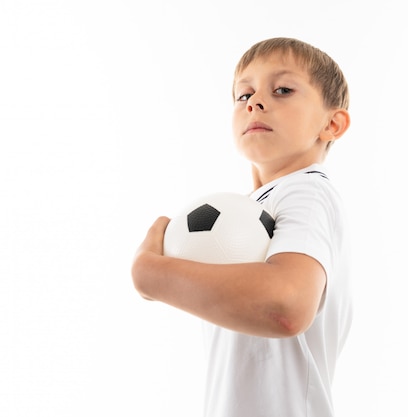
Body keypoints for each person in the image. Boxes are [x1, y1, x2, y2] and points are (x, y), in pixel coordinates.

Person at [131, 37, 352, 417]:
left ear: (332, 123)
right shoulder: (248, 215)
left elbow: (286, 305)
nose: (255, 102)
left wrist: (151, 274)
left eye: (282, 89)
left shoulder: (307, 190)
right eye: (242, 95)